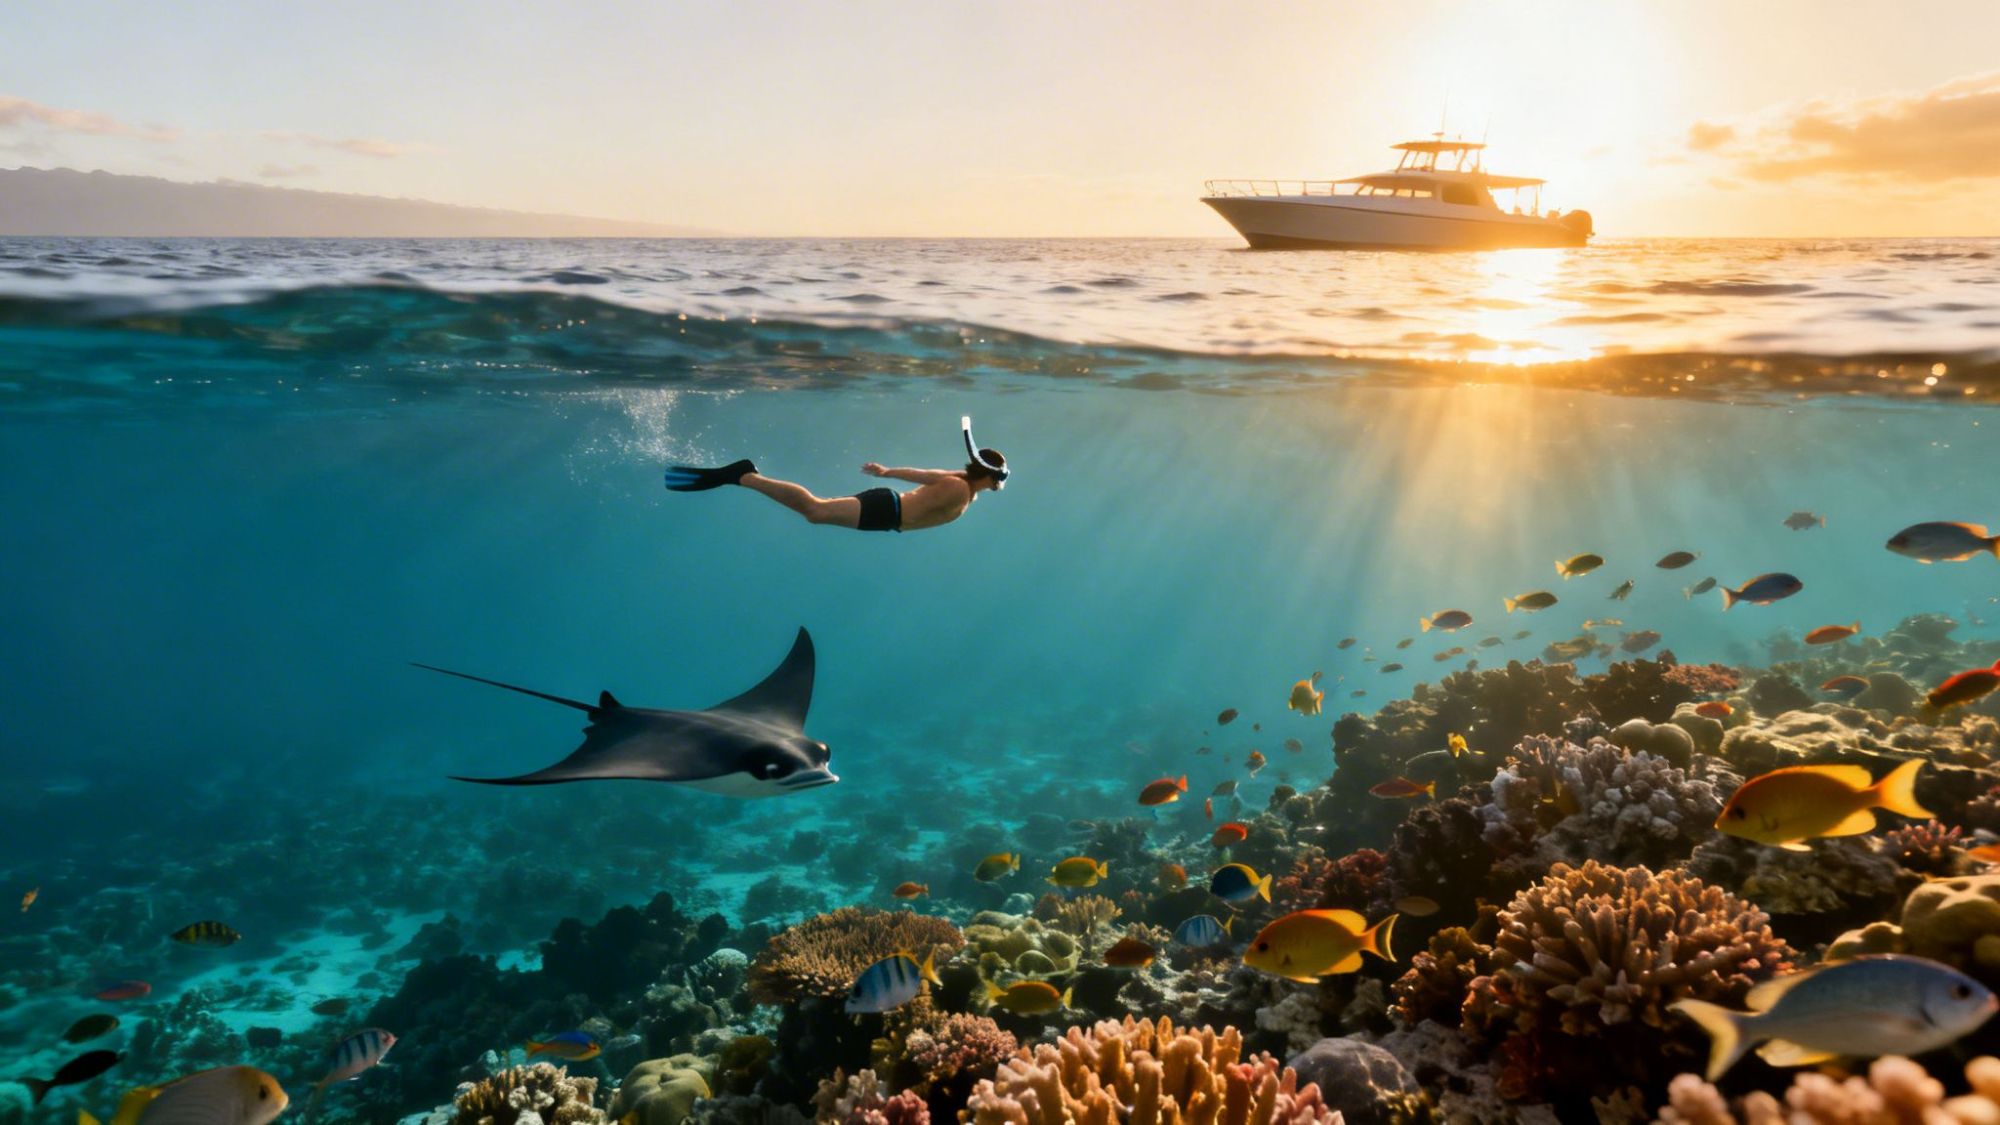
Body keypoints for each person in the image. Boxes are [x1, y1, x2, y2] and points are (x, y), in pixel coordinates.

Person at [662, 417, 1008, 534]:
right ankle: (745, 476)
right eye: (999, 478)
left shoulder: (963, 487)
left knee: (818, 509)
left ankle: (745, 476)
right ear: (989, 474)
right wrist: (888, 473)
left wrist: (887, 470)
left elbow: (929, 474)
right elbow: (925, 475)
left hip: (887, 515)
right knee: (815, 511)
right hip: (888, 510)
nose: (999, 485)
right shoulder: (958, 487)